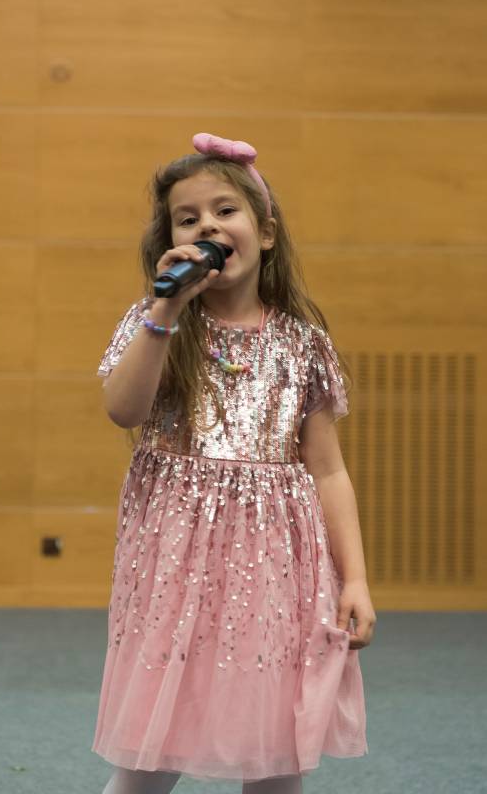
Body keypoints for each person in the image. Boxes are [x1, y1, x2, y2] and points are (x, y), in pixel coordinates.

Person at [92, 132, 376, 794]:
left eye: (225, 211)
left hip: (277, 569)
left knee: (275, 745)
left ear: (265, 233)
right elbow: (123, 410)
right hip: (175, 565)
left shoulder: (302, 343)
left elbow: (328, 470)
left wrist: (355, 578)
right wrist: (165, 310)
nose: (207, 227)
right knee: (153, 747)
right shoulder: (157, 323)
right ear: (169, 242)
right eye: (187, 218)